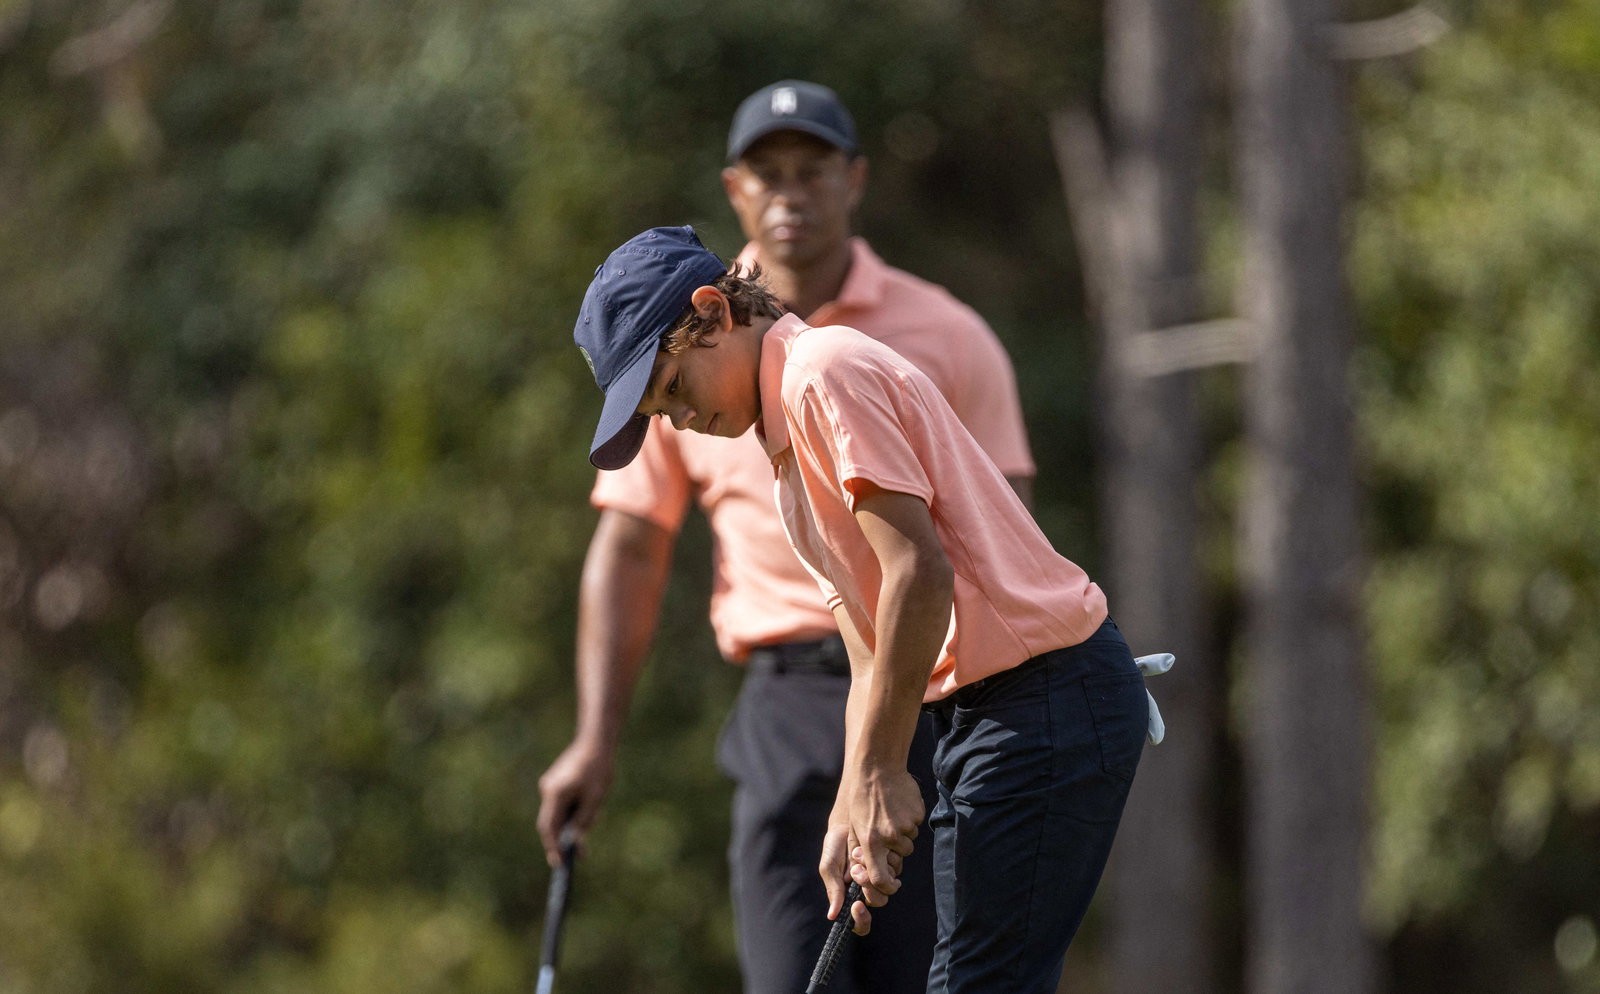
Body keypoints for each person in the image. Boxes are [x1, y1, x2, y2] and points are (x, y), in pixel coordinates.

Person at [537, 81, 1035, 994]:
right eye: (768, 175)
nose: (790, 194)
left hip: (930, 696)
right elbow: (632, 546)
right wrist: (594, 738)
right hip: (787, 706)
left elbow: (1001, 534)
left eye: (813, 171)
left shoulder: (948, 335)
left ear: (856, 181)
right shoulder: (669, 351)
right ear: (736, 190)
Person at [571, 225, 1148, 994]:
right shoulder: (781, 441)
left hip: (1043, 700)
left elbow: (919, 571)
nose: (679, 422)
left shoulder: (821, 373)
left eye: (673, 389)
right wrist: (853, 799)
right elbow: (869, 646)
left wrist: (882, 770)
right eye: (659, 412)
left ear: (712, 313)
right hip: (994, 712)